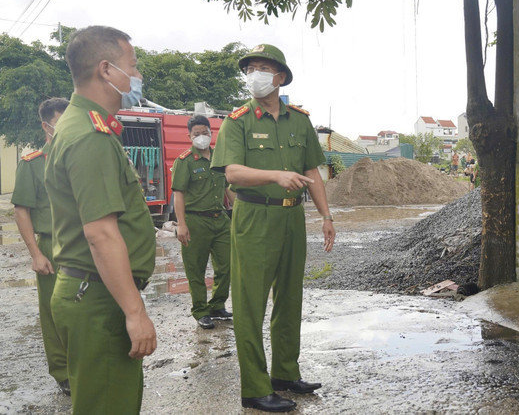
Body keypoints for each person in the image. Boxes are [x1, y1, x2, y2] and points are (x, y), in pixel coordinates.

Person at [211, 43, 336, 413]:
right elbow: (232, 173)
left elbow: (313, 171)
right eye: (250, 69)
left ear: (280, 77)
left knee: (289, 297)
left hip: (291, 218)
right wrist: (275, 175)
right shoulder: (237, 122)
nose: (255, 75)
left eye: (263, 68)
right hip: (254, 217)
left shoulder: (299, 120)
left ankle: (285, 372)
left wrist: (326, 216)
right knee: (249, 304)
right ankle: (254, 386)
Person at [44, 26, 157, 413]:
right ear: (107, 70)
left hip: (93, 291)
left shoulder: (83, 126)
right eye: (134, 66)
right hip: (97, 298)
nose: (138, 76)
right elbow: (101, 234)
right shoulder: (90, 135)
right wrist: (134, 312)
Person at [12, 97, 69, 396]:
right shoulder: (32, 164)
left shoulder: (79, 159)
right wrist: (35, 253)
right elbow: (21, 211)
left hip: (84, 244)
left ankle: (87, 362)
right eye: (63, 121)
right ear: (46, 125)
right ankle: (63, 371)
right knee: (53, 311)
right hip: (51, 245)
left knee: (87, 306)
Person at [172, 115, 234, 330]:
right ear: (189, 136)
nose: (201, 137)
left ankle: (217, 305)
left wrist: (237, 210)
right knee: (195, 269)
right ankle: (200, 310)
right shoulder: (185, 161)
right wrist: (181, 224)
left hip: (220, 220)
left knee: (227, 265)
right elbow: (178, 194)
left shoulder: (220, 157)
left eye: (204, 133)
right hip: (195, 220)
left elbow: (227, 186)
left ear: (211, 133)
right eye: (196, 134)